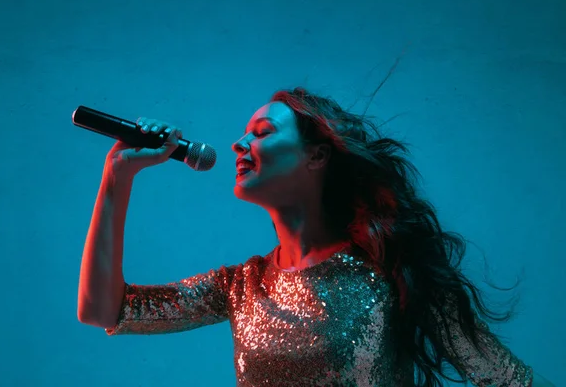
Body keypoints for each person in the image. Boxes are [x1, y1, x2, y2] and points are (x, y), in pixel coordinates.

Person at [77, 87, 554, 387]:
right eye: (245, 134)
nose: (239, 145)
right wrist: (117, 176)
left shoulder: (390, 272)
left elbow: (508, 379)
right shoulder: (242, 286)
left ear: (318, 156)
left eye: (261, 133)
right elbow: (104, 310)